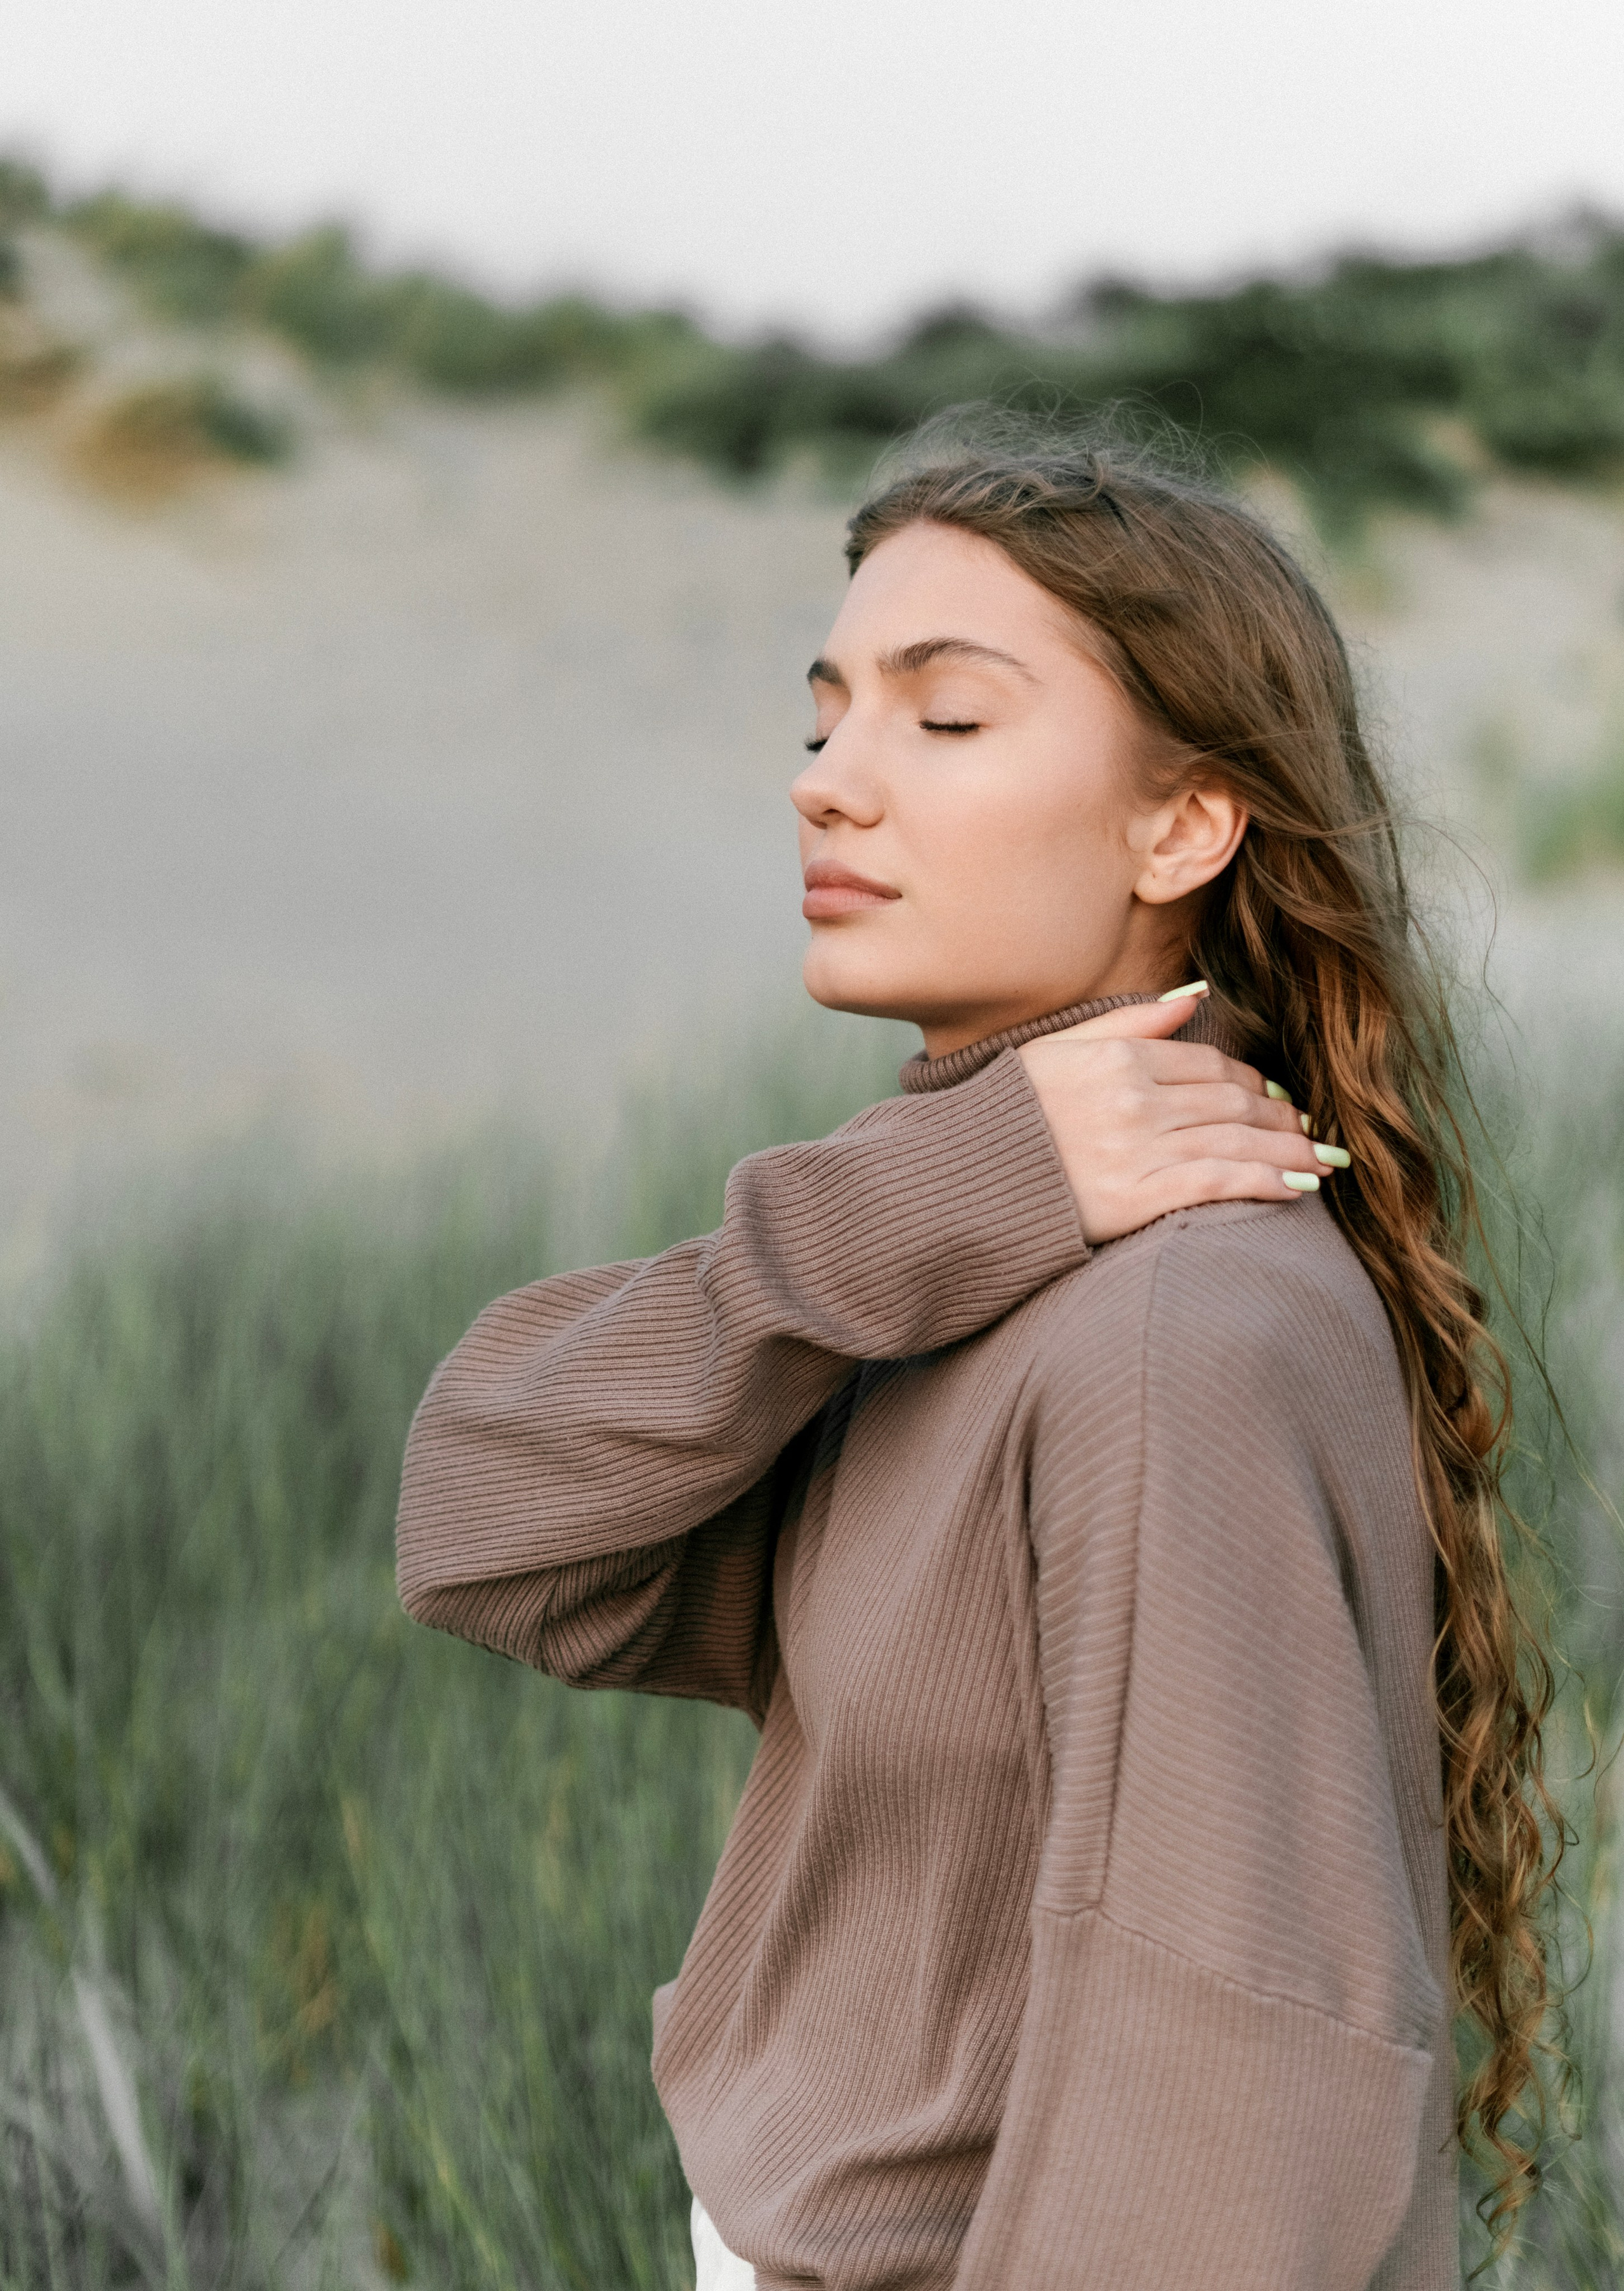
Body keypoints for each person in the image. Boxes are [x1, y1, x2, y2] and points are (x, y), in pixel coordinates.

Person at [396, 429, 1557, 2290]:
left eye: (946, 724)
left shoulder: (1180, 1327)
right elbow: (484, 1520)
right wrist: (958, 1187)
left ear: (1183, 825)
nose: (831, 788)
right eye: (827, 717)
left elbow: (1231, 2090)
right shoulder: (965, 1250)